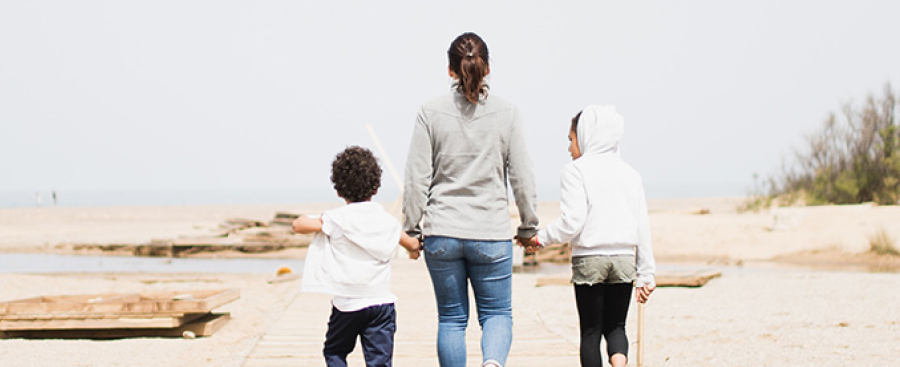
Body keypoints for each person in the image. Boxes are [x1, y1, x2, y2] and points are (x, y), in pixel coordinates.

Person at [403, 32, 539, 367]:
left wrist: (411, 229)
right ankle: (492, 363)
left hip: (442, 232)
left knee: (451, 320)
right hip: (490, 233)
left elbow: (417, 177)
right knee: (496, 314)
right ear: (487, 67)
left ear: (450, 70)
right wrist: (528, 226)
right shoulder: (508, 113)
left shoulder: (429, 112)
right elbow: (522, 176)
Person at [521, 105, 656, 367]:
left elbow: (572, 221)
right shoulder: (631, 174)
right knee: (617, 328)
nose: (569, 148)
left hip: (589, 259)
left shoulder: (575, 171)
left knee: (591, 332)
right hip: (624, 258)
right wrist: (646, 274)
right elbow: (642, 226)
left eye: (571, 140)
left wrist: (541, 239)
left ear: (586, 136)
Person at [293, 145, 422, 367]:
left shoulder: (336, 219)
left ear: (338, 188)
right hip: (381, 303)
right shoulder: (386, 220)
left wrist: (317, 217)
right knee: (379, 362)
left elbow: (299, 225)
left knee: (334, 351)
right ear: (376, 186)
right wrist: (414, 249)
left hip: (347, 303)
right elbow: (409, 242)